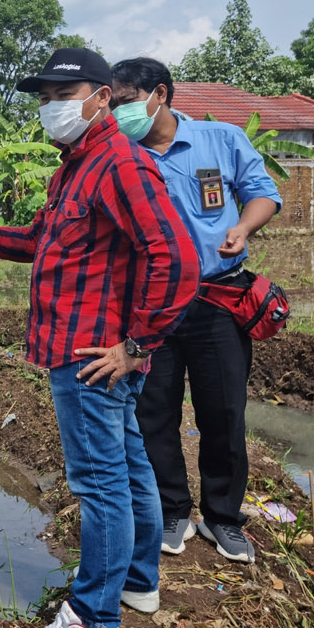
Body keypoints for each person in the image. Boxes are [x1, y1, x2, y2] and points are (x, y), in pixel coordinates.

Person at [0, 47, 199, 628]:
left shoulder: (118, 164)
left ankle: (93, 622)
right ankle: (138, 584)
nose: (49, 108)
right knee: (128, 467)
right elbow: (40, 241)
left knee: (100, 484)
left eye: (60, 97)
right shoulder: (76, 166)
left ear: (100, 96)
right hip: (89, 349)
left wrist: (136, 344)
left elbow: (175, 256)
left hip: (92, 354)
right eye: (43, 98)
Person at [110, 57, 281, 564]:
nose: (118, 111)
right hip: (151, 309)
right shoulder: (119, 154)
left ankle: (224, 518)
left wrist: (243, 229)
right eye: (113, 102)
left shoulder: (221, 140)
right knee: (153, 412)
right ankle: (171, 511)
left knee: (223, 411)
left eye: (124, 100)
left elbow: (262, 194)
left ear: (158, 94)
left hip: (216, 300)